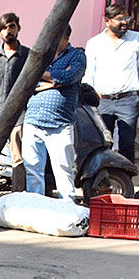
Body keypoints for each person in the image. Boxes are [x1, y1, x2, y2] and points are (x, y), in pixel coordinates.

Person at [22, 24, 86, 201]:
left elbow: (70, 76)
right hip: (34, 119)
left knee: (63, 169)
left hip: (59, 123)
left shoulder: (77, 55)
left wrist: (44, 76)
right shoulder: (42, 55)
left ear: (63, 37)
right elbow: (28, 76)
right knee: (33, 169)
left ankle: (68, 208)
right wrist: (55, 80)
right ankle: (35, 207)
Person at [85, 4, 139, 165]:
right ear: (107, 21)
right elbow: (88, 73)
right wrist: (91, 96)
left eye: (126, 18)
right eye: (120, 19)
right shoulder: (95, 43)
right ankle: (104, 179)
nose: (125, 22)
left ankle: (126, 179)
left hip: (128, 100)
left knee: (127, 143)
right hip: (102, 101)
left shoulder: (137, 39)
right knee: (102, 142)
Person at [0, 11, 31, 191]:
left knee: (18, 159)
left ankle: (18, 197)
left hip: (18, 116)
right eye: (3, 28)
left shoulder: (28, 56)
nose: (8, 31)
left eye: (11, 27)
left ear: (18, 29)